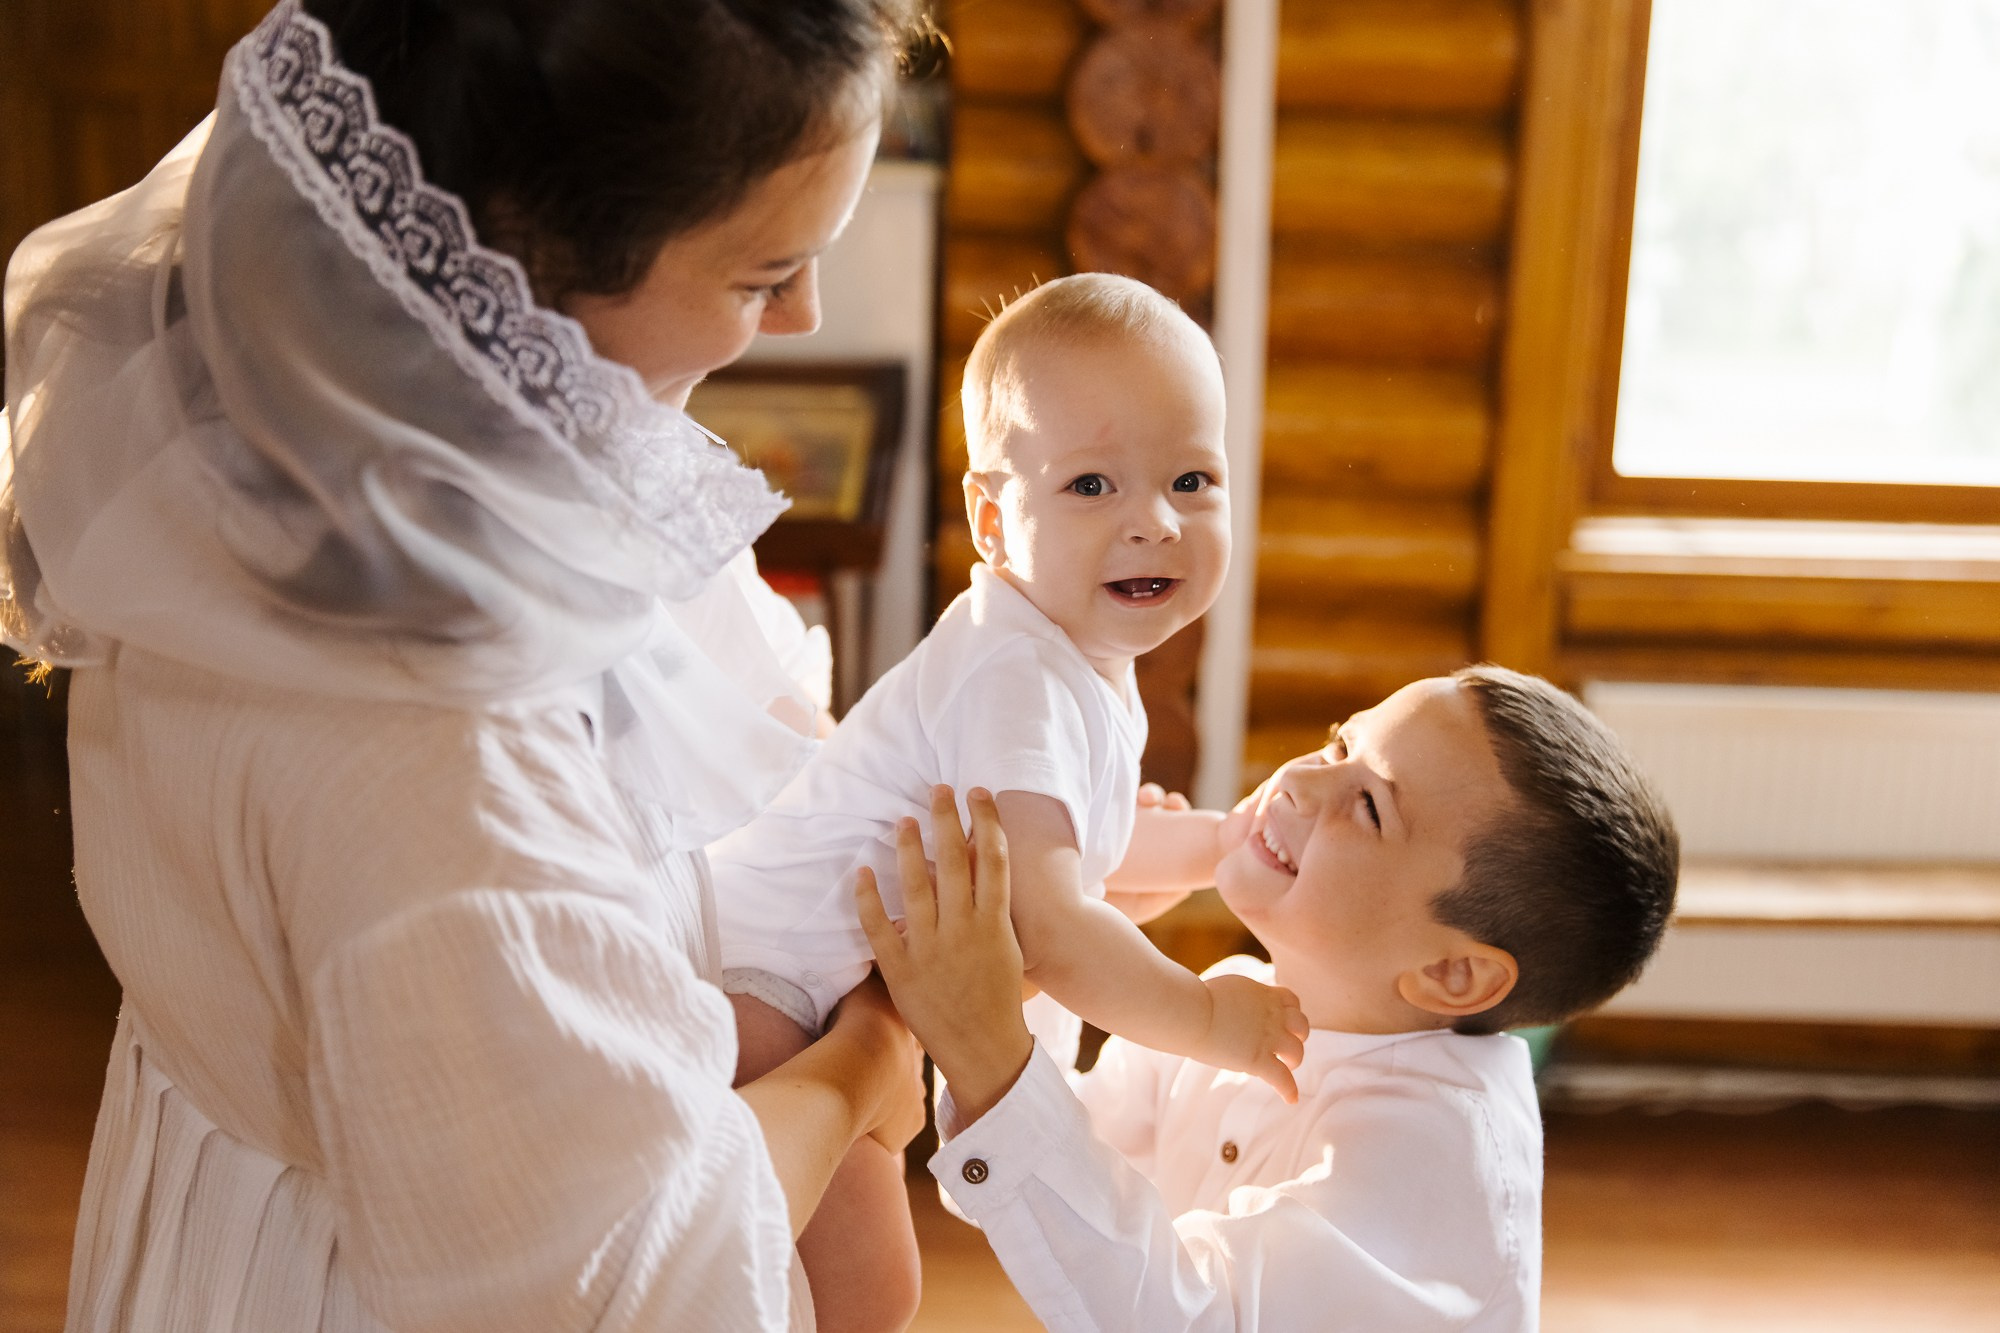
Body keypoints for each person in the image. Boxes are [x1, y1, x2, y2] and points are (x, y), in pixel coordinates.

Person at [0, 1, 931, 1328]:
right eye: (758, 273)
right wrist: (869, 1060)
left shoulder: (264, 433)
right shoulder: (440, 750)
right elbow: (632, 1284)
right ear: (527, 252)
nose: (800, 316)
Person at [707, 273, 1308, 1330]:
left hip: (813, 975)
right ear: (991, 517)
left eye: (1191, 478)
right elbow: (1051, 921)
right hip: (770, 984)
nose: (1153, 522)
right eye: (1090, 486)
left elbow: (1081, 855)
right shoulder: (1014, 678)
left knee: (843, 1281)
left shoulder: (1072, 655)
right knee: (862, 1288)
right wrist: (1209, 1018)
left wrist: (1220, 841)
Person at [862, 667, 1681, 1332]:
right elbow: (1025, 1193)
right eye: (1339, 742)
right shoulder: (1228, 1005)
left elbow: (1180, 1315)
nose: (1298, 781)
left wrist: (988, 1048)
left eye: (1368, 805)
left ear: (1453, 974)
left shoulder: (1430, 1158)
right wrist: (1058, 935)